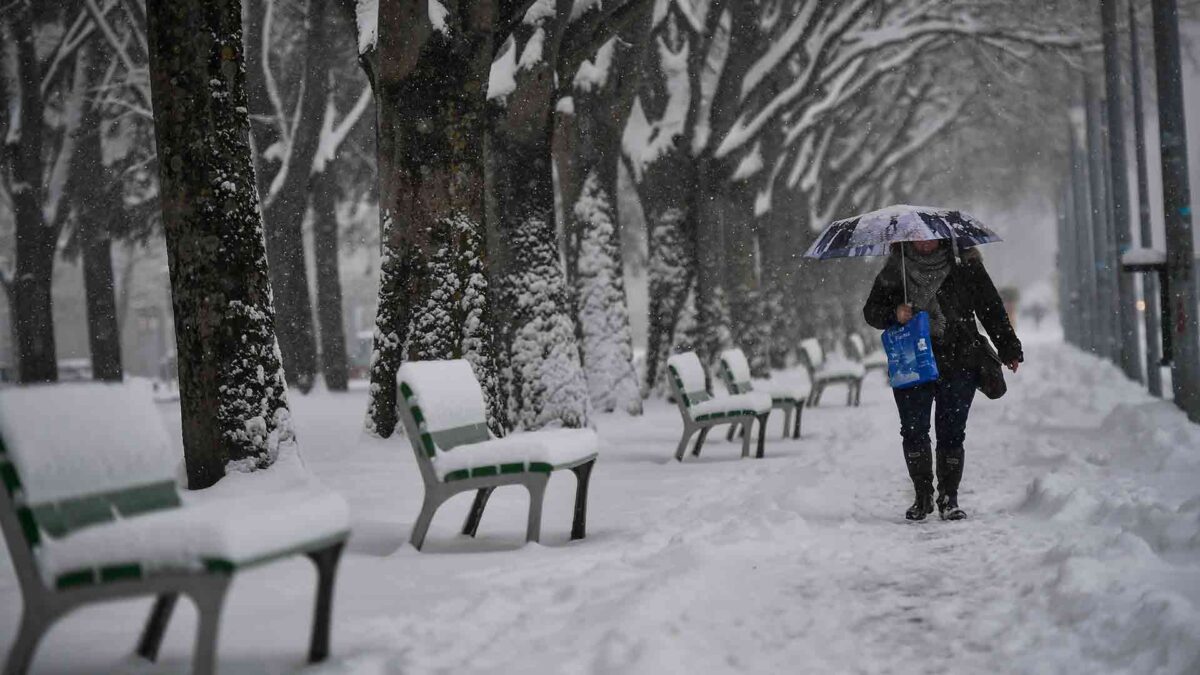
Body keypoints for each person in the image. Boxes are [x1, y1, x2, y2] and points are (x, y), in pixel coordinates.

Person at [862, 239, 1022, 521]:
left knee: (952, 431)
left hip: (959, 358)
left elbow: (990, 306)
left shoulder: (965, 263)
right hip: (912, 361)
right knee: (913, 430)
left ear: (943, 236)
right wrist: (895, 313)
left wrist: (1008, 347)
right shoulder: (895, 268)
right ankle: (922, 496)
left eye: (930, 236)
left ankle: (949, 497)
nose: (924, 242)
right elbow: (871, 312)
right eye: (917, 236)